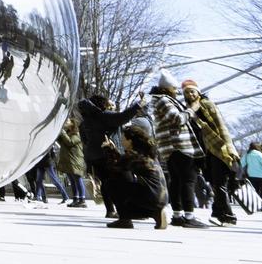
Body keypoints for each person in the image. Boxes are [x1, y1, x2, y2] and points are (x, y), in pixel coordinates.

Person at [147, 70, 206, 228]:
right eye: (175, 88)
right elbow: (177, 119)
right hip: (179, 145)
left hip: (170, 147)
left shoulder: (159, 100)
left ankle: (178, 215)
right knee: (188, 180)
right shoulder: (164, 100)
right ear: (168, 88)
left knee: (177, 181)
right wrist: (192, 108)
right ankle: (188, 216)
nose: (177, 91)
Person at [77, 91, 144, 219]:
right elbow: (123, 117)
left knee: (106, 183)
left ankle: (110, 210)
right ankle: (129, 210)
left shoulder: (84, 122)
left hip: (94, 157)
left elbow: (85, 140)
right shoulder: (104, 116)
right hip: (110, 154)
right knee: (126, 181)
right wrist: (138, 105)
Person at [182, 80, 239, 226]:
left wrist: (230, 148)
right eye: (186, 92)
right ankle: (217, 213)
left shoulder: (206, 104)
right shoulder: (187, 108)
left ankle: (228, 216)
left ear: (198, 92)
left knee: (219, 183)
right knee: (214, 182)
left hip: (218, 148)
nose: (190, 94)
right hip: (206, 151)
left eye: (192, 91)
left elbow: (220, 126)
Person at [100, 123, 170, 229]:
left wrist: (107, 150)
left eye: (123, 138)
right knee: (124, 179)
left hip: (151, 196)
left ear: (130, 141)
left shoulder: (134, 155)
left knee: (110, 184)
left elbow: (114, 167)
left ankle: (125, 219)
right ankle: (156, 214)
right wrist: (113, 150)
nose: (121, 141)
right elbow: (124, 162)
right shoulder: (147, 152)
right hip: (161, 197)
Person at [55, 117, 87, 208]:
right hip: (69, 161)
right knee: (72, 181)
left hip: (76, 160)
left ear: (73, 124)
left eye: (67, 121)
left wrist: (63, 133)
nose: (65, 122)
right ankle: (76, 199)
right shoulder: (68, 133)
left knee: (77, 179)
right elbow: (63, 143)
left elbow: (70, 142)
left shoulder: (76, 133)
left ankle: (82, 200)